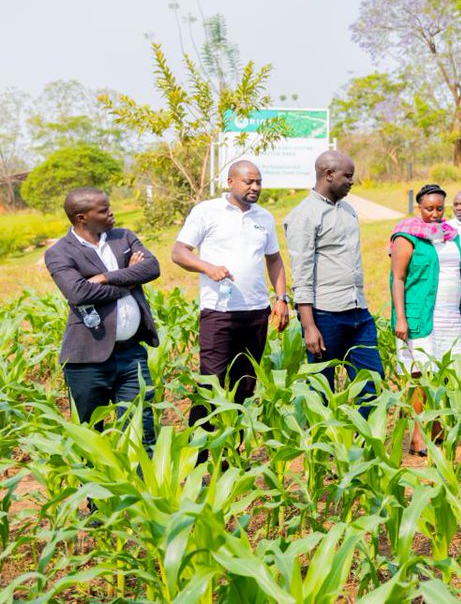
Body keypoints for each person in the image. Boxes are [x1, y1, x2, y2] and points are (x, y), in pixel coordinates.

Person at [172, 160, 290, 458]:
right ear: (230, 182)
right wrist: (207, 267)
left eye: (259, 182)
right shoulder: (207, 212)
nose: (255, 188)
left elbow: (273, 259)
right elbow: (179, 252)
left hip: (256, 313)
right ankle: (198, 457)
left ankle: (229, 453)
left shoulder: (264, 217)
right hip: (219, 313)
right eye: (249, 182)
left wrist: (282, 298)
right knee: (211, 384)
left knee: (245, 386)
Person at [44, 187, 160, 450]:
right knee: (89, 435)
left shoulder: (123, 237)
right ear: (82, 217)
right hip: (87, 358)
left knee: (141, 430)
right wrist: (129, 280)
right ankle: (94, 491)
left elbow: (152, 267)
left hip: (132, 355)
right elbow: (79, 292)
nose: (111, 213)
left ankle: (141, 488)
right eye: (103, 210)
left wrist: (107, 277)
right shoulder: (59, 252)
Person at [283, 150, 385, 411]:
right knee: (321, 389)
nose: (352, 182)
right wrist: (309, 326)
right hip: (325, 315)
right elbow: (301, 273)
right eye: (348, 176)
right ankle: (325, 449)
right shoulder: (304, 216)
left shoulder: (348, 210)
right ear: (329, 175)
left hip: (358, 312)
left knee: (371, 383)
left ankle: (365, 446)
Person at [390, 183, 461, 455]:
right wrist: (401, 318)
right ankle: (418, 437)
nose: (435, 214)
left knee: (444, 376)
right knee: (420, 377)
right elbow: (397, 279)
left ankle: (437, 429)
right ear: (419, 207)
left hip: (450, 315)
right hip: (420, 315)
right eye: (429, 208)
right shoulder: (407, 236)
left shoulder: (449, 235)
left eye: (439, 208)